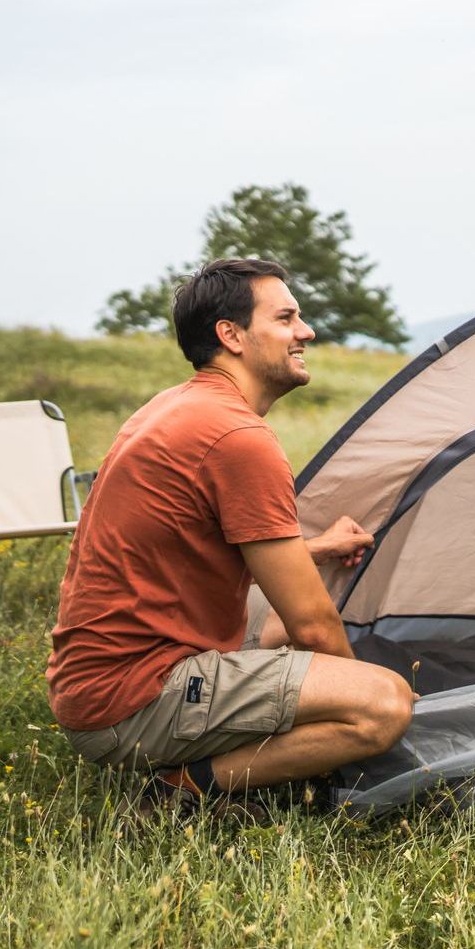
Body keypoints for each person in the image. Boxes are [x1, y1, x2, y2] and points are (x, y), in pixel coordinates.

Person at [47, 257, 414, 806]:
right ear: (231, 335)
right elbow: (313, 627)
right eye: (286, 318)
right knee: (385, 704)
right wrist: (353, 710)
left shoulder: (177, 406)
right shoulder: (238, 436)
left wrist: (318, 548)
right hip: (131, 700)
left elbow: (187, 547)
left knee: (287, 605)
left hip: (97, 677)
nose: (306, 331)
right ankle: (185, 788)